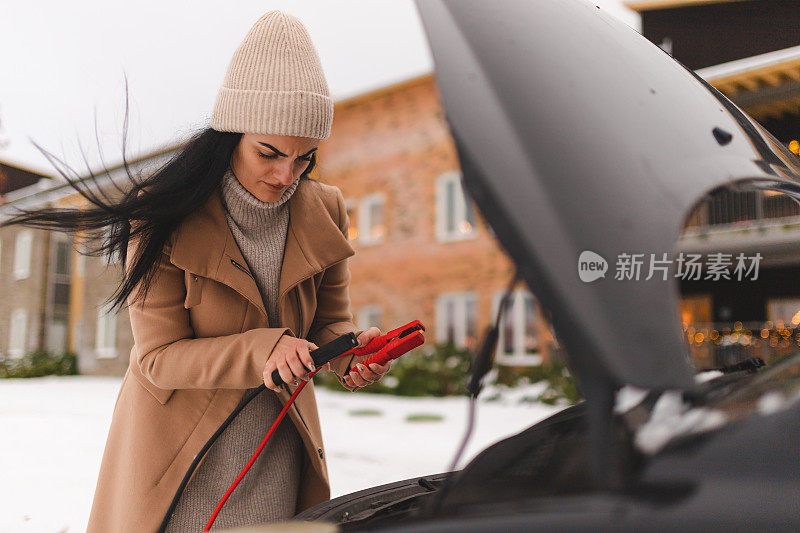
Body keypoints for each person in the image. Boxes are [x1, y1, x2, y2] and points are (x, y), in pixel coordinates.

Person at [1, 10, 392, 532]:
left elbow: (328, 325)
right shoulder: (162, 212)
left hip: (275, 454)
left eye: (304, 158)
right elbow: (157, 359)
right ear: (230, 133)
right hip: (178, 461)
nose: (286, 176)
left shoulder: (326, 210)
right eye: (269, 152)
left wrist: (351, 354)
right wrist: (262, 348)